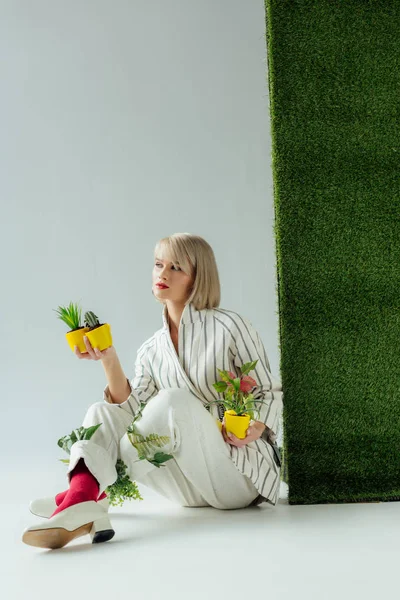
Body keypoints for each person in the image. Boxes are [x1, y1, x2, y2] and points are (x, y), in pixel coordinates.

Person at [22, 233, 283, 549]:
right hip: (189, 486)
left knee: (172, 402)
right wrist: (109, 359)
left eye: (176, 267)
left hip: (237, 475)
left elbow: (268, 393)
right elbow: (128, 412)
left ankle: (84, 494)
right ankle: (84, 497)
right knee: (100, 412)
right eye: (159, 264)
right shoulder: (151, 349)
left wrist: (257, 427)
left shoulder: (230, 326)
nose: (163, 274)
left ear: (197, 279)